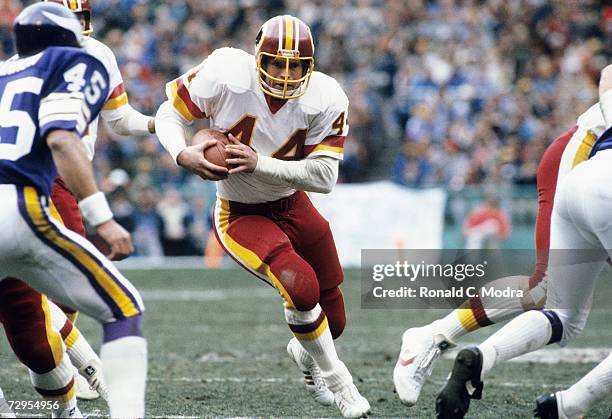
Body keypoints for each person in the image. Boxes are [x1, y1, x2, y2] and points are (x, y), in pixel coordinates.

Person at [155, 15, 370, 418]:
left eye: (296, 65)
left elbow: (324, 177)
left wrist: (259, 163)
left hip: (294, 203)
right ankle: (342, 384)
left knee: (334, 318)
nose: (285, 74)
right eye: (276, 62)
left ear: (311, 65)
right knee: (301, 288)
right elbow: (170, 113)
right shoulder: (226, 72)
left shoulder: (325, 96)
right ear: (258, 58)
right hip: (240, 213)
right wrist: (181, 152)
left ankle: (305, 356)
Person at [393, 97, 608, 406]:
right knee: (546, 289)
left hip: (587, 162)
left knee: (564, 313)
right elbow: (608, 76)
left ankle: (450, 345)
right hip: (586, 159)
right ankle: (432, 337)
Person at [0, 0, 156, 402]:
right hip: (37, 184)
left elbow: (119, 120)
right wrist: (103, 217)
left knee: (34, 312)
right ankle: (93, 379)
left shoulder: (9, 70)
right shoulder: (75, 61)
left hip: (51, 180)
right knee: (116, 305)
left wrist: (158, 124)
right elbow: (61, 139)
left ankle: (68, 386)